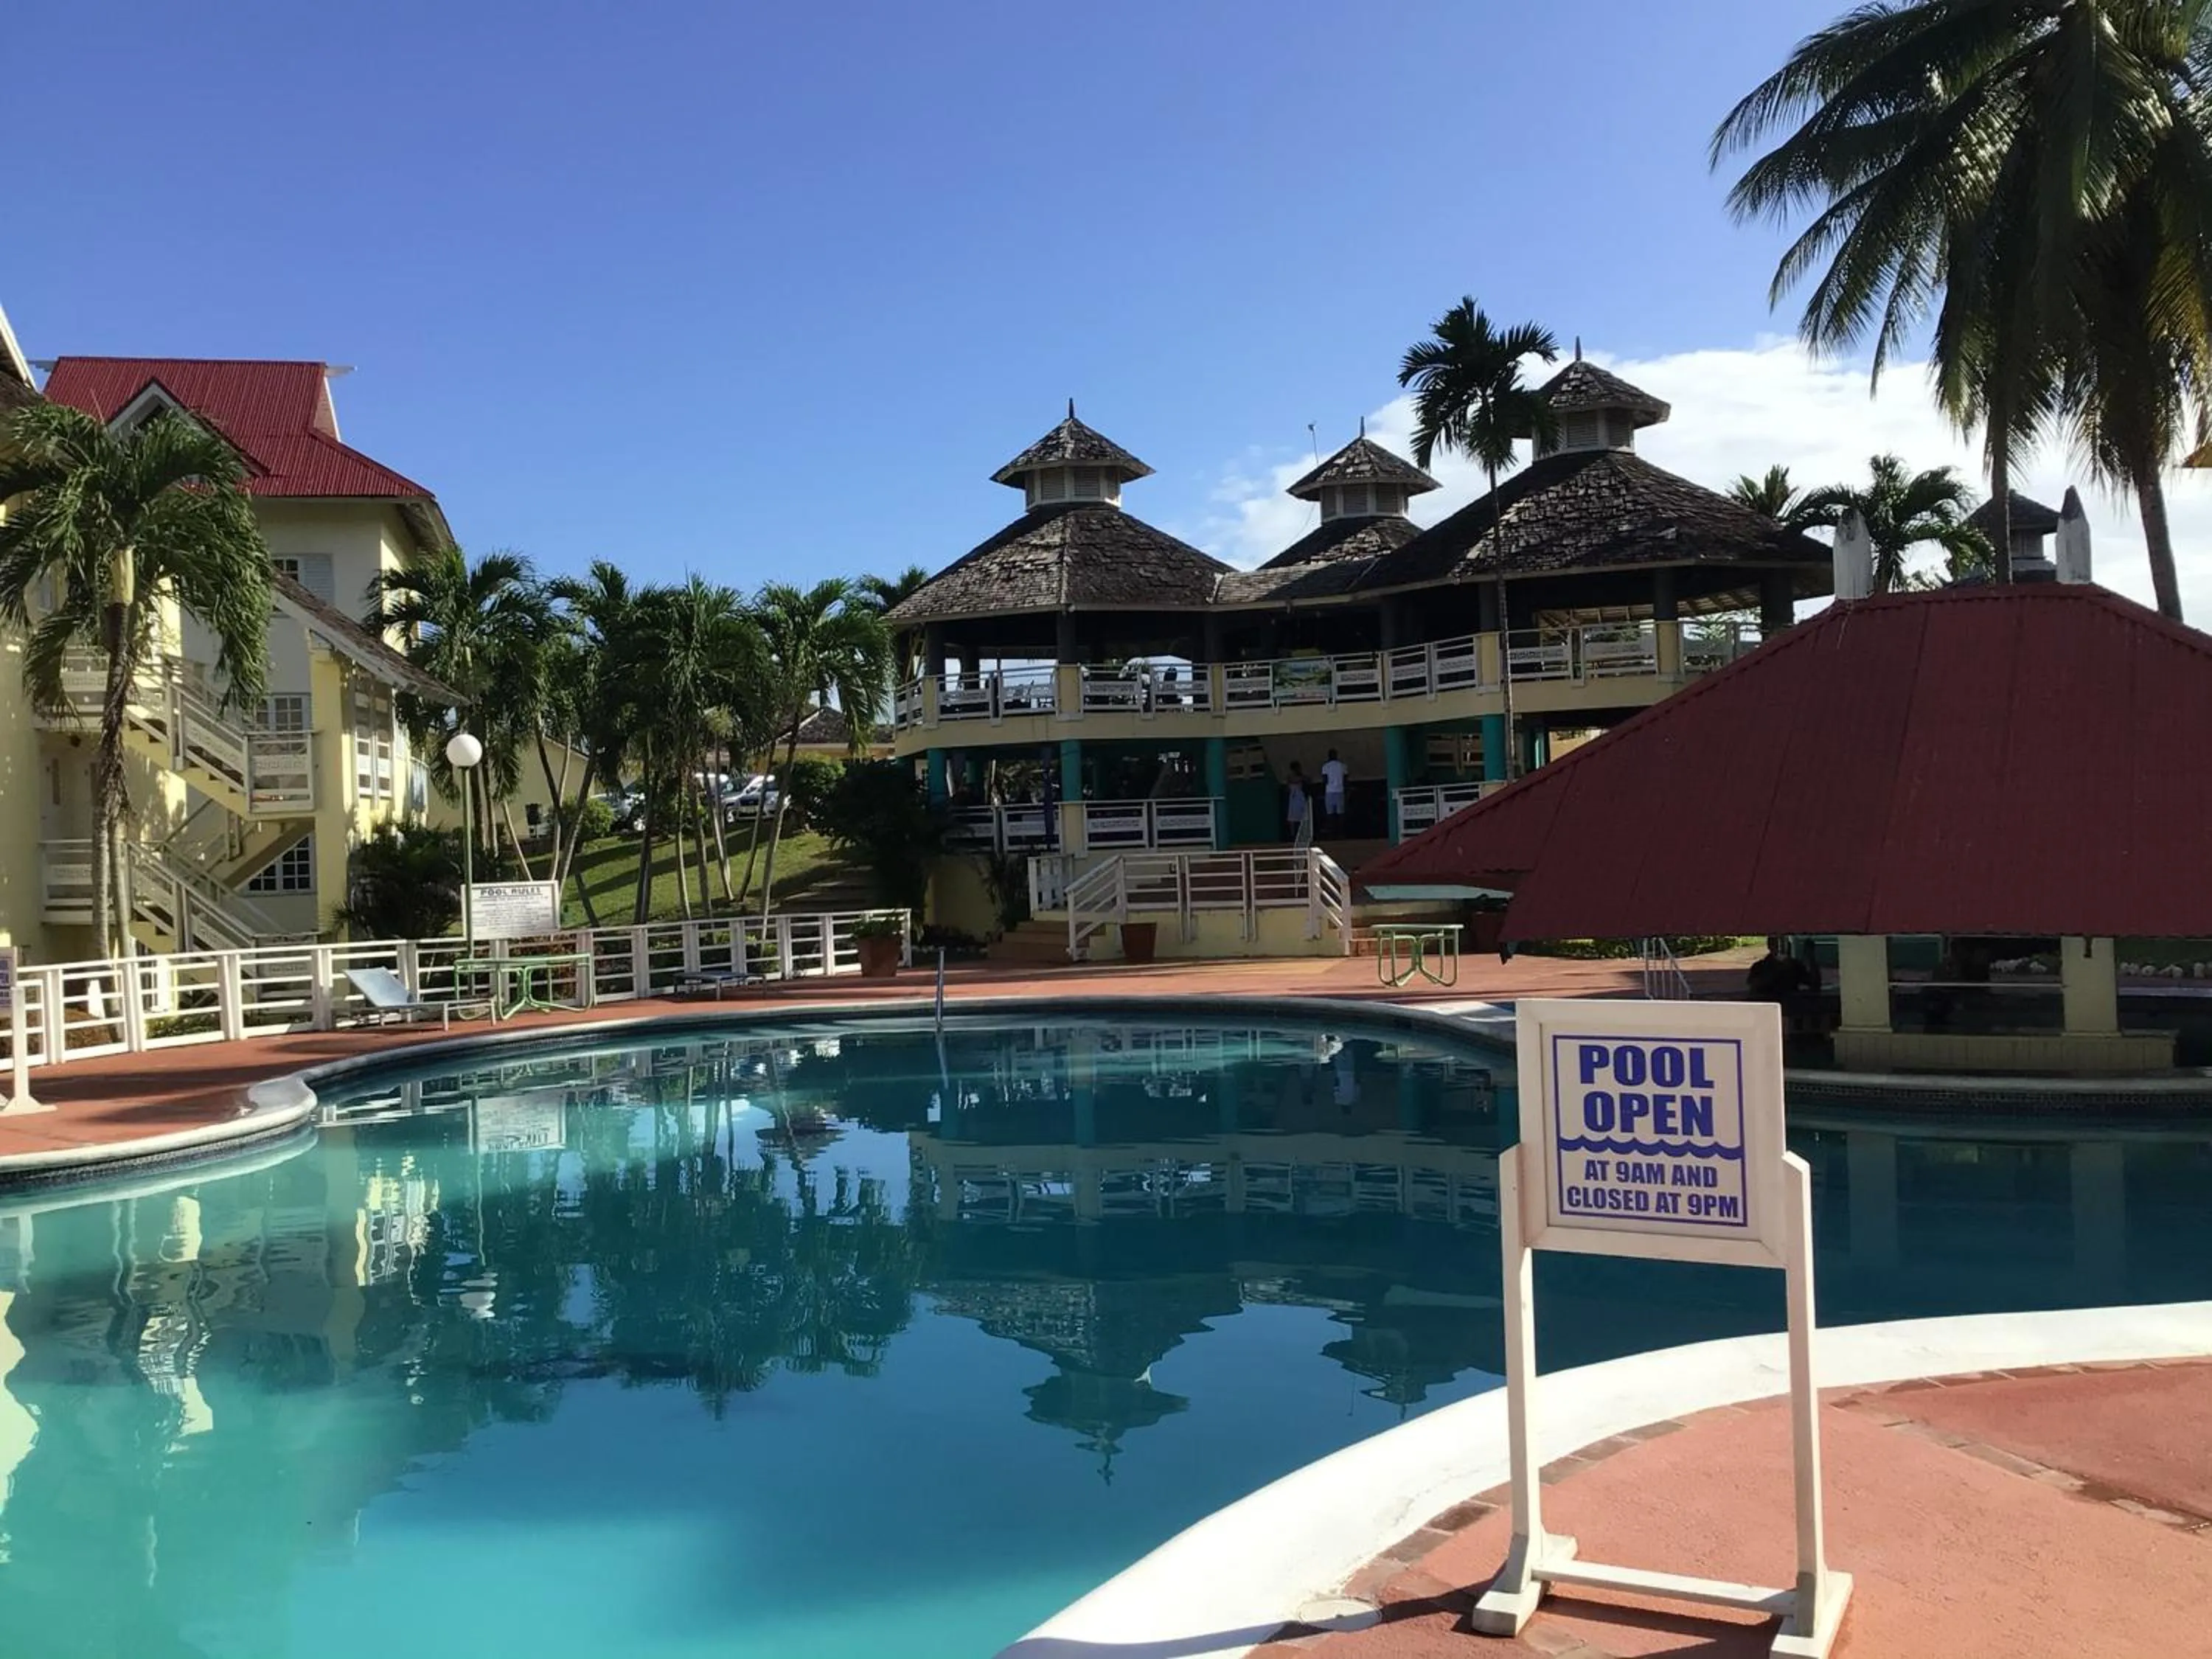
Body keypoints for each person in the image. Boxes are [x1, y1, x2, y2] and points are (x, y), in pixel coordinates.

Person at [1320, 748, 1349, 834]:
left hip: (1329, 791)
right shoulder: (1342, 766)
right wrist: (1346, 790)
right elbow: (1345, 780)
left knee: (1330, 813)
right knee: (1341, 813)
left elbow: (1325, 780)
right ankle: (1341, 832)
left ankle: (1332, 832)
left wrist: (1322, 791)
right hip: (1340, 791)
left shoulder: (1326, 766)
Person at [1284, 761, 1310, 844]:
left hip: (1300, 797)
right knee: (1292, 818)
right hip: (1293, 798)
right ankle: (1292, 836)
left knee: (1303, 816)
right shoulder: (1290, 777)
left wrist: (1302, 777)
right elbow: (1291, 783)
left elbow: (1308, 779)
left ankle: (1303, 834)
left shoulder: (1302, 776)